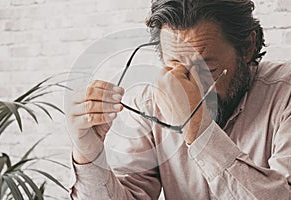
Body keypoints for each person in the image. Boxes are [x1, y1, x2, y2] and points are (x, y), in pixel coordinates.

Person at [69, 0, 291, 199]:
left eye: (207, 69)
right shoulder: (149, 105)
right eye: (175, 67)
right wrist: (88, 153)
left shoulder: (285, 95)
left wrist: (197, 126)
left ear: (247, 47)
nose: (188, 87)